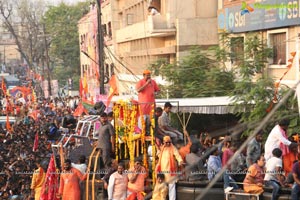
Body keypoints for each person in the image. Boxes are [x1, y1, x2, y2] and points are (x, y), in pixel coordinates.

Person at [156, 136, 184, 200]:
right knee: (163, 188)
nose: (168, 144)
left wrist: (180, 160)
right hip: (163, 171)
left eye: (169, 142)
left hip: (171, 172)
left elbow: (177, 155)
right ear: (163, 142)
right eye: (166, 142)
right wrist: (158, 148)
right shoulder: (162, 148)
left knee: (171, 187)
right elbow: (159, 155)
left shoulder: (173, 148)